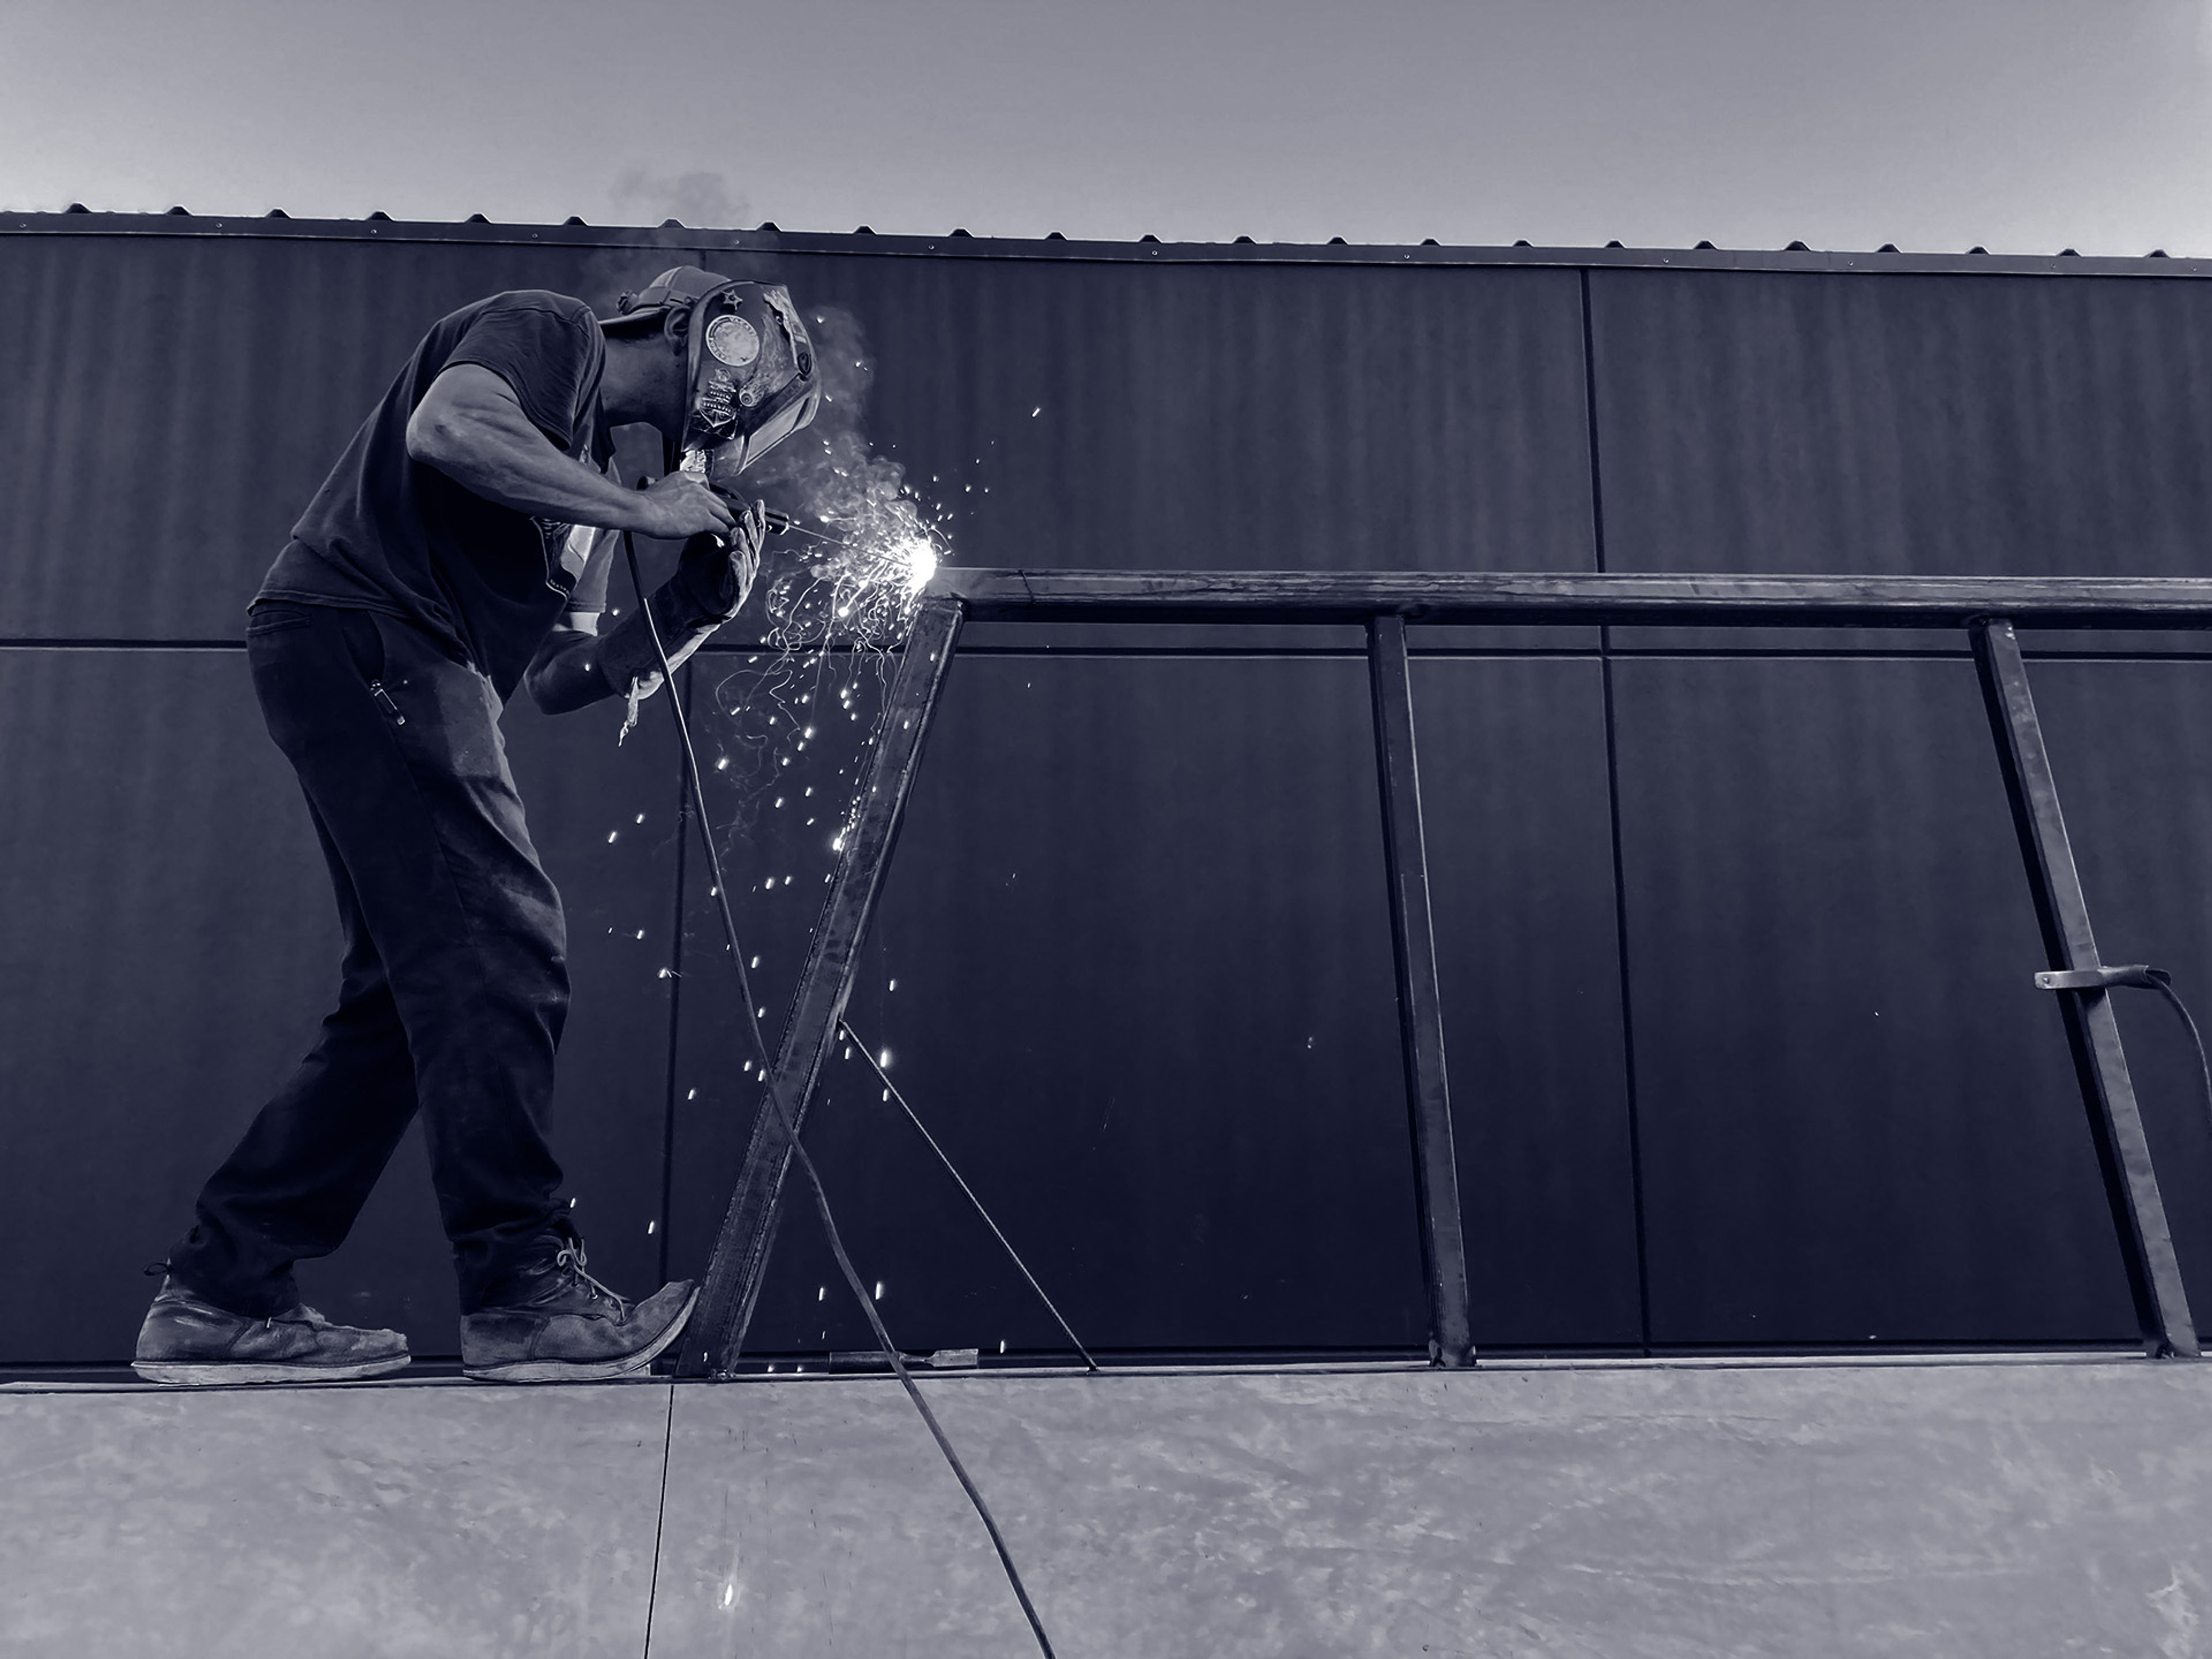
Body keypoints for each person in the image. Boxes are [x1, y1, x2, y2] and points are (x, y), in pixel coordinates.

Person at [134, 266, 816, 1384]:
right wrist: (646, 510)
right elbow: (450, 426)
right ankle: (520, 1291)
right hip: (375, 632)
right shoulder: (552, 332)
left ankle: (222, 1289)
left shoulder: (587, 478)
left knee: (407, 1006)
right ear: (717, 335)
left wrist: (694, 608)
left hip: (381, 658)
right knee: (507, 942)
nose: (736, 422)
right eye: (751, 387)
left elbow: (559, 676)